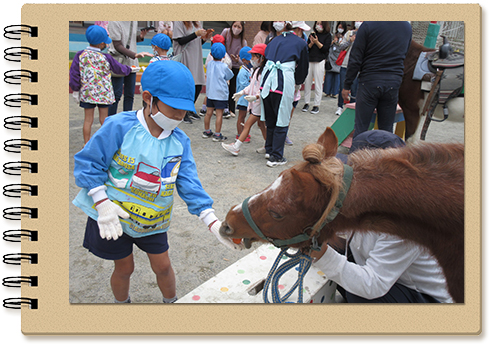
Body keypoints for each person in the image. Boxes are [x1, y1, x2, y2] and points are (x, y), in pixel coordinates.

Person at [72, 60, 242, 305]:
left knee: (163, 266)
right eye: (173, 108)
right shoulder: (119, 127)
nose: (180, 116)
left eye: (185, 110)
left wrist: (211, 221)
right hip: (114, 216)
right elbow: (89, 163)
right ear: (149, 98)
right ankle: (122, 305)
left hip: (154, 220)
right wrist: (102, 204)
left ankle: (171, 303)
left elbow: (188, 182)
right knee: (124, 267)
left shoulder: (179, 141)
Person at [312, 130, 452, 303]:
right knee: (331, 245)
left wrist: (319, 253)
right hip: (394, 277)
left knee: (360, 293)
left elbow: (373, 285)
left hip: (425, 296)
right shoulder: (366, 198)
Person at [341, 21, 412, 138]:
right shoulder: (406, 27)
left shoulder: (369, 25)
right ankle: (386, 156)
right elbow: (405, 53)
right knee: (387, 131)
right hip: (393, 81)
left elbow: (355, 58)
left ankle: (358, 154)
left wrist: (347, 85)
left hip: (370, 80)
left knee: (361, 128)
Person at [69, 25, 132, 144]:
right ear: (101, 43)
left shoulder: (80, 55)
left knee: (88, 120)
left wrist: (76, 90)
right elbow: (119, 69)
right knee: (104, 119)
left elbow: (74, 73)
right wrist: (129, 69)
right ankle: (105, 144)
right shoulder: (106, 57)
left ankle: (86, 143)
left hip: (88, 93)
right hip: (104, 93)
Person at [260, 21, 309, 167]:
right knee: (282, 119)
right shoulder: (300, 43)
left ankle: (269, 149)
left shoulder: (274, 40)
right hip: (283, 82)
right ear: (299, 29)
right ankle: (276, 156)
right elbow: (303, 69)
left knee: (270, 118)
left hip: (267, 82)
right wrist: (297, 82)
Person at [223, 43, 268, 156]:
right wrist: (242, 92)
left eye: (254, 56)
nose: (252, 59)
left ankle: (236, 147)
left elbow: (264, 88)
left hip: (258, 103)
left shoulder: (264, 72)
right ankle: (269, 145)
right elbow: (251, 86)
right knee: (261, 125)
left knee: (247, 124)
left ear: (261, 57)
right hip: (256, 103)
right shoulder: (256, 71)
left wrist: (256, 96)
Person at [107, 21, 153, 116]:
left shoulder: (133, 21)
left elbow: (129, 40)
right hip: (119, 62)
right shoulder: (114, 22)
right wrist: (134, 55)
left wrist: (140, 37)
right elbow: (118, 45)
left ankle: (127, 120)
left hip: (132, 63)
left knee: (129, 95)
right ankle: (110, 120)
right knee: (116, 94)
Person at [173, 21, 214, 123]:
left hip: (195, 56)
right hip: (185, 56)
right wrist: (196, 34)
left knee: (198, 84)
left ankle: (189, 108)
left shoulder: (197, 22)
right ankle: (183, 111)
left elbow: (196, 42)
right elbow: (180, 41)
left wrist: (204, 38)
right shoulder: (179, 22)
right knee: (186, 85)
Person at [202, 43, 234, 142]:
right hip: (220, 94)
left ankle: (207, 131)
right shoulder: (224, 66)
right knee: (219, 114)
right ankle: (217, 134)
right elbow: (230, 76)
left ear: (211, 54)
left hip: (210, 93)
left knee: (208, 113)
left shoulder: (209, 64)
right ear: (224, 56)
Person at [199, 34, 233, 117]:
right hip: (221, 83)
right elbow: (230, 71)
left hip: (211, 81)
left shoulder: (210, 59)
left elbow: (206, 65)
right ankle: (225, 110)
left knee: (208, 96)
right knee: (219, 111)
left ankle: (204, 109)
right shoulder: (224, 61)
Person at [301, 21, 331, 114]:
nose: (318, 26)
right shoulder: (312, 34)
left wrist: (316, 42)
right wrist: (311, 43)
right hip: (310, 60)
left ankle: (316, 104)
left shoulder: (328, 35)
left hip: (320, 61)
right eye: (317, 23)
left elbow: (325, 49)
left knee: (318, 83)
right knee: (307, 83)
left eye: (320, 24)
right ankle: (306, 102)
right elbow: (307, 48)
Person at [221, 21, 247, 118]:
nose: (236, 28)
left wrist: (237, 60)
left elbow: (243, 61)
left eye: (239, 27)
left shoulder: (243, 42)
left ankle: (231, 109)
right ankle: (219, 107)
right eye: (234, 26)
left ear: (242, 28)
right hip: (223, 65)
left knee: (232, 88)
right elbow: (219, 43)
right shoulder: (226, 32)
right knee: (222, 86)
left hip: (235, 67)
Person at [335, 25, 360, 116]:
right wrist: (350, 41)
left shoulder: (366, 34)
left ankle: (352, 108)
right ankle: (340, 106)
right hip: (345, 64)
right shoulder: (349, 33)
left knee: (354, 89)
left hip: (358, 66)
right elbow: (341, 47)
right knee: (342, 86)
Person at [234, 46, 253, 141]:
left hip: (247, 99)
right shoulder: (242, 72)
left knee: (245, 117)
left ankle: (244, 132)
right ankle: (239, 134)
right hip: (243, 99)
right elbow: (244, 85)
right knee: (241, 117)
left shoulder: (250, 70)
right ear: (244, 60)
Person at [323, 33, 342, 99]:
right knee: (328, 78)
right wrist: (331, 43)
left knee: (337, 78)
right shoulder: (331, 44)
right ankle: (327, 92)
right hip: (330, 62)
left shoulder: (341, 45)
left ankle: (335, 92)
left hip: (338, 62)